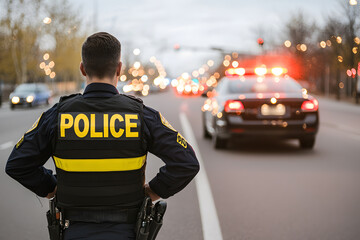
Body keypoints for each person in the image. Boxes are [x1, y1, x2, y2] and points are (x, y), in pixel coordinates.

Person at [5, 32, 200, 240]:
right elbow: (186, 162)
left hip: (73, 230)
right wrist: (152, 191)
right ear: (119, 69)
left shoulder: (57, 116)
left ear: (82, 68)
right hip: (126, 231)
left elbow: (18, 164)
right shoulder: (142, 116)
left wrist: (51, 187)